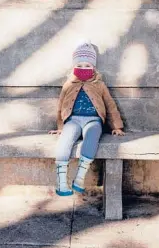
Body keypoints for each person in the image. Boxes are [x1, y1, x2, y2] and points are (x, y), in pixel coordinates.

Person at [48, 41, 125, 196]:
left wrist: (116, 126)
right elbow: (61, 106)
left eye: (87, 66)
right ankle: (62, 182)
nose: (84, 69)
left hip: (93, 121)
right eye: (80, 65)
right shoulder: (68, 84)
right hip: (73, 120)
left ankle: (80, 179)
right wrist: (60, 127)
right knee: (65, 140)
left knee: (92, 138)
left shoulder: (99, 84)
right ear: (74, 67)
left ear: (94, 67)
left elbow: (110, 105)